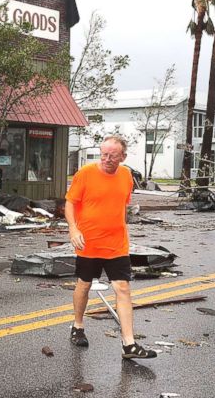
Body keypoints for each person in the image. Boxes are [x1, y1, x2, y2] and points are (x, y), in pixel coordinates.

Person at [65, 135, 156, 359]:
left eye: (112, 156)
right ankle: (77, 326)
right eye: (103, 154)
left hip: (116, 244)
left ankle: (129, 345)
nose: (106, 159)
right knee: (84, 285)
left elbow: (120, 205)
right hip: (89, 242)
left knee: (123, 288)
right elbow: (70, 203)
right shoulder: (85, 174)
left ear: (122, 157)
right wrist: (73, 230)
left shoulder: (126, 176)